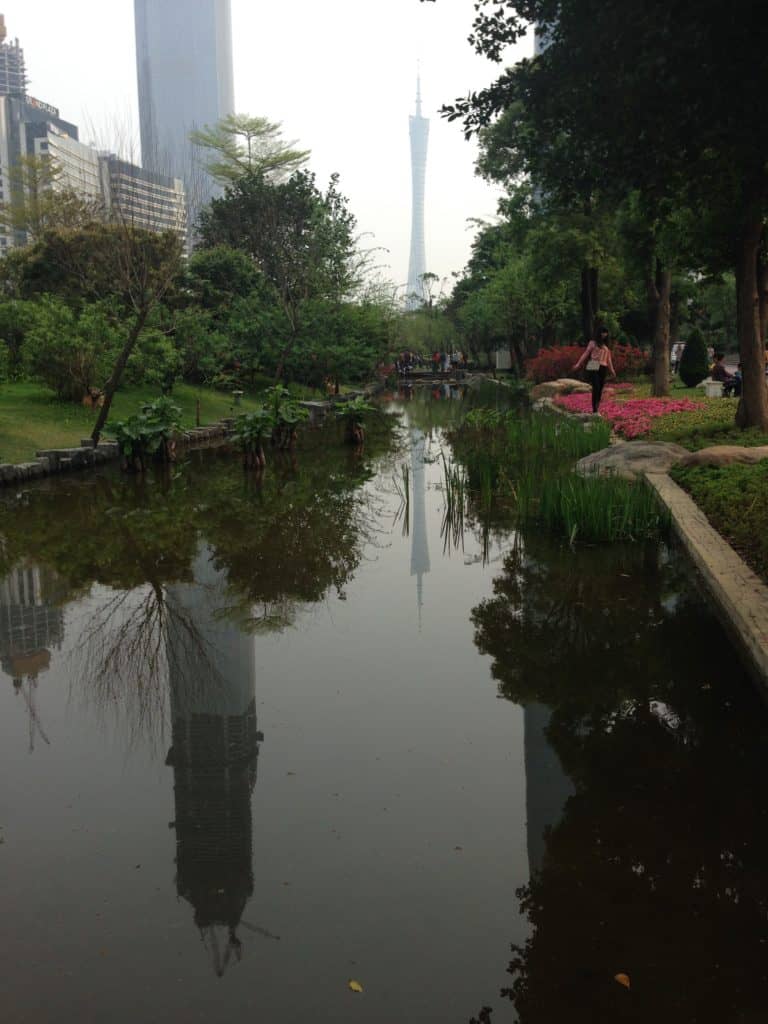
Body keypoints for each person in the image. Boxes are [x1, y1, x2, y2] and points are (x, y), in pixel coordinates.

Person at [573, 326, 617, 413]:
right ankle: (594, 408)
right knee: (596, 386)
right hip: (593, 364)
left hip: (603, 366)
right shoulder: (592, 343)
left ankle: (597, 406)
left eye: (606, 333)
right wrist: (578, 364)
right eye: (603, 332)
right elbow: (586, 354)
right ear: (599, 333)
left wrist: (612, 371)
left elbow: (609, 360)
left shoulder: (606, 346)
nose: (604, 334)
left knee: (600, 388)